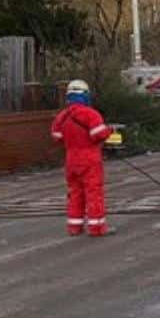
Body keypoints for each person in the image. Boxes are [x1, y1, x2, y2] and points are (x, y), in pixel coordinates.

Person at [51, 79, 113, 237]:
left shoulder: (62, 117)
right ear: (85, 96)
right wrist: (109, 131)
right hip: (89, 159)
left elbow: (57, 137)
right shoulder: (90, 114)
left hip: (71, 159)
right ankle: (97, 228)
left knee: (75, 193)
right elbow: (97, 134)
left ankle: (74, 227)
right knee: (93, 192)